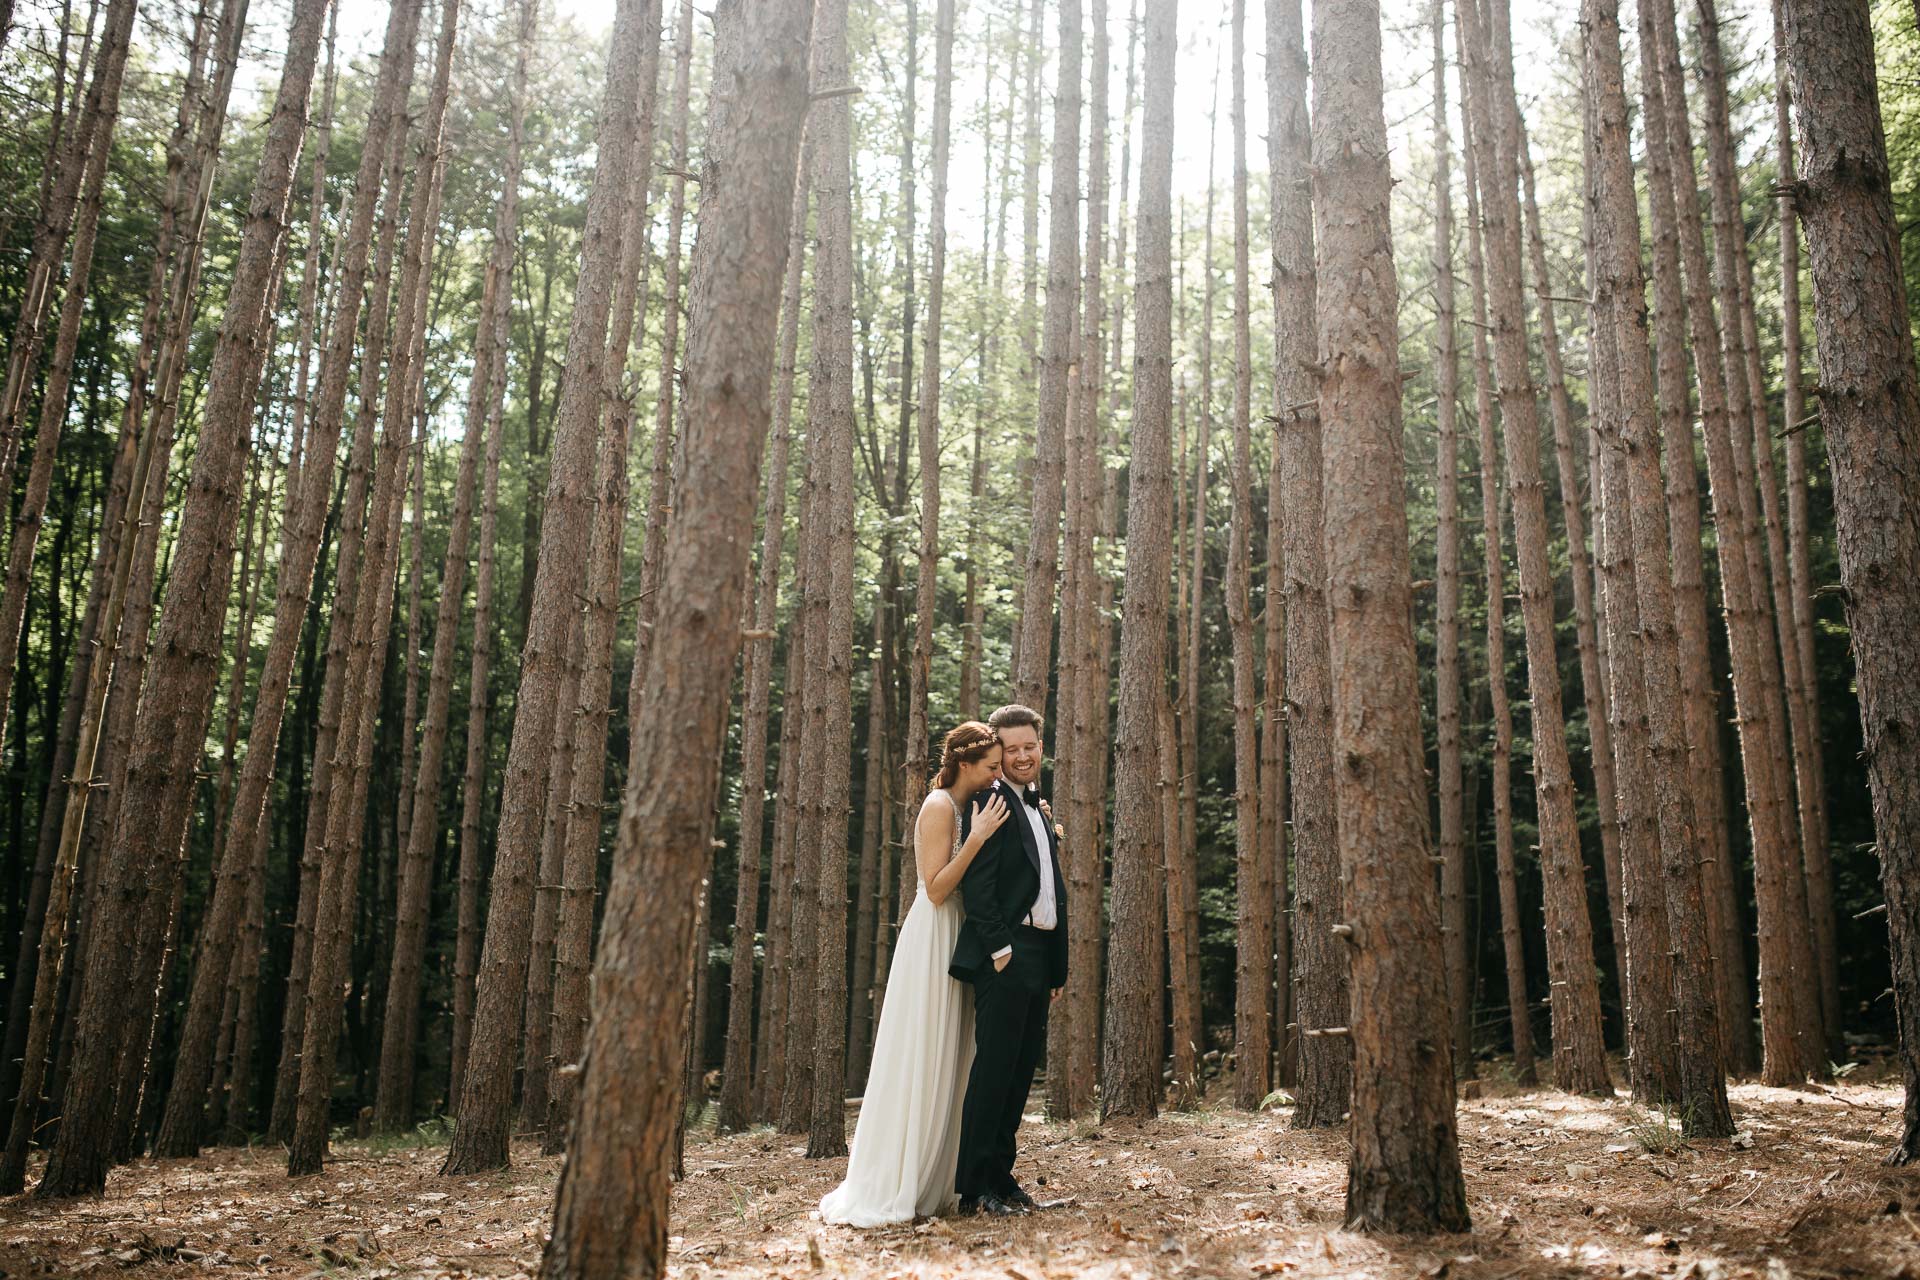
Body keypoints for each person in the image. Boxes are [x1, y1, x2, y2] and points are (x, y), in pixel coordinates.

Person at [819, 723, 1012, 1226]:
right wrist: (978, 839)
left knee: (953, 1052)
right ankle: (898, 1178)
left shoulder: (975, 804)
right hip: (934, 936)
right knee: (924, 1048)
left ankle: (941, 1178)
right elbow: (935, 888)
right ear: (966, 765)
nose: (998, 773)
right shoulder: (938, 806)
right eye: (992, 766)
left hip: (962, 936)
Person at [949, 703, 1068, 1217]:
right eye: (1011, 749)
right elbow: (980, 885)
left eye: (1029, 746)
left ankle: (1004, 1179)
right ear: (999, 751)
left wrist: (1056, 968)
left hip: (1039, 956)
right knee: (994, 1071)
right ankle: (977, 1189)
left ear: (1041, 746)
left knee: (1019, 1074)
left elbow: (1050, 889)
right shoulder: (993, 801)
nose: (1021, 756)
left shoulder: (1036, 803)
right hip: (1007, 954)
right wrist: (1000, 949)